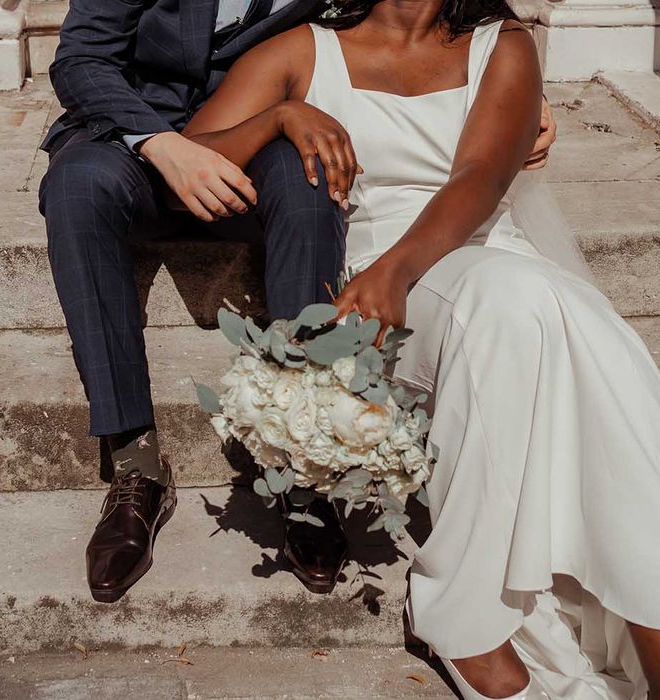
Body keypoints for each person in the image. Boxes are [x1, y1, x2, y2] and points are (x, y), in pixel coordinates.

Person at [181, 0, 660, 698]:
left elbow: (480, 175)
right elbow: (190, 158)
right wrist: (276, 119)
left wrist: (401, 269)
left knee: (570, 328)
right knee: (525, 311)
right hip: (374, 300)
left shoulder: (501, 47)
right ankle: (467, 613)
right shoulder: (301, 50)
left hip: (464, 260)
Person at [37, 0, 559, 602]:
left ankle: (303, 469)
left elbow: (415, 21)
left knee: (310, 184)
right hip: (136, 141)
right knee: (77, 186)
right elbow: (80, 59)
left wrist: (521, 99)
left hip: (268, 128)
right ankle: (136, 463)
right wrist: (160, 141)